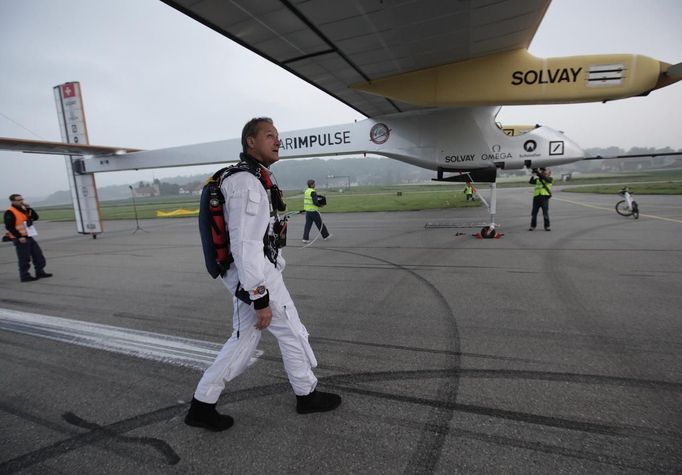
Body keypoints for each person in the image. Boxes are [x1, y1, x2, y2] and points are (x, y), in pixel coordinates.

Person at [185, 118, 341, 432]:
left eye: (278, 136)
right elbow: (246, 245)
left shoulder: (253, 178)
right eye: (269, 136)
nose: (277, 141)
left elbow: (254, 239)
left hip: (247, 271)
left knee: (244, 339)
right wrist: (260, 296)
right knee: (291, 331)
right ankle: (306, 394)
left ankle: (202, 404)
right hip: (253, 274)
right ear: (250, 143)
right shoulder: (246, 183)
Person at [4, 194, 53, 282]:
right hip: (20, 238)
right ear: (13, 201)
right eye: (18, 200)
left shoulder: (24, 210)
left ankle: (40, 272)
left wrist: (29, 208)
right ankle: (25, 276)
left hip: (29, 236)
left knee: (38, 255)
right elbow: (9, 227)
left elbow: (35, 217)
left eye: (22, 199)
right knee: (24, 258)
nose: (21, 201)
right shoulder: (10, 212)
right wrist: (19, 237)